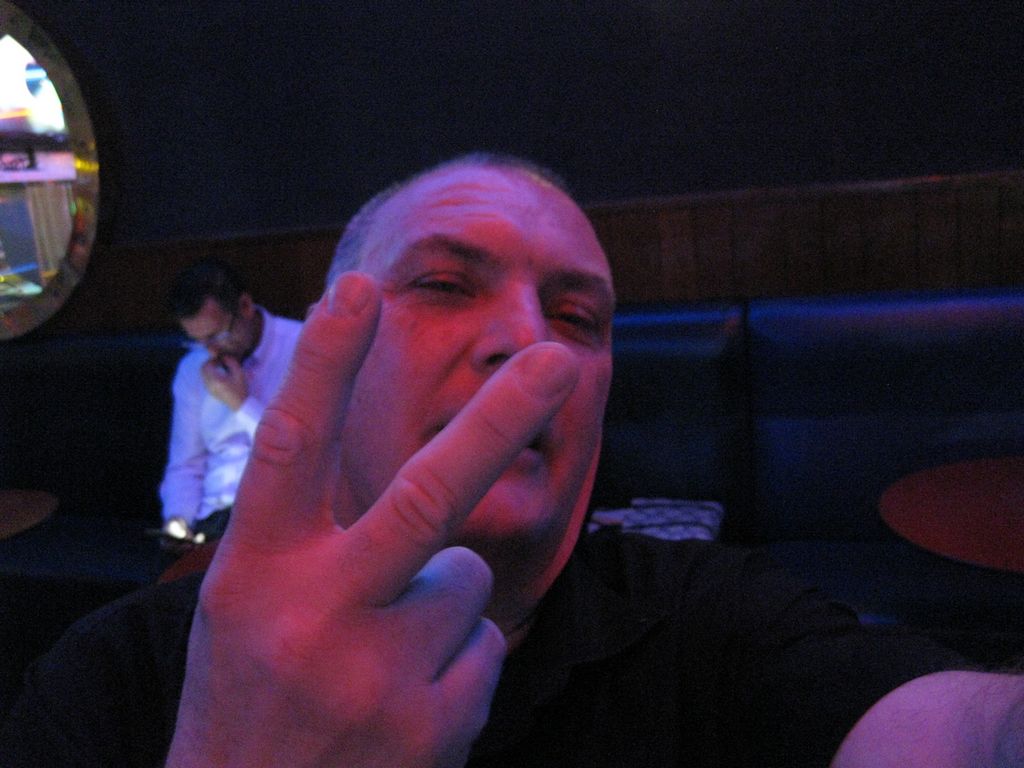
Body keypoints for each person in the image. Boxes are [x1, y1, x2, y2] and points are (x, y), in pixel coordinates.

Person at [1, 153, 1021, 767]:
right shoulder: (114, 682)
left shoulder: (710, 626)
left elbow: (945, 730)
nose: (532, 345)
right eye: (445, 285)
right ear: (328, 348)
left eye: (576, 318)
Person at [159, 258, 302, 544]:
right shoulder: (193, 367)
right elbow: (186, 466)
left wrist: (241, 404)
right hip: (213, 524)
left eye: (217, 336)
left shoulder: (303, 347)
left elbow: (305, 454)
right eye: (198, 341)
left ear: (245, 306)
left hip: (283, 514)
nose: (210, 350)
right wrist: (178, 520)